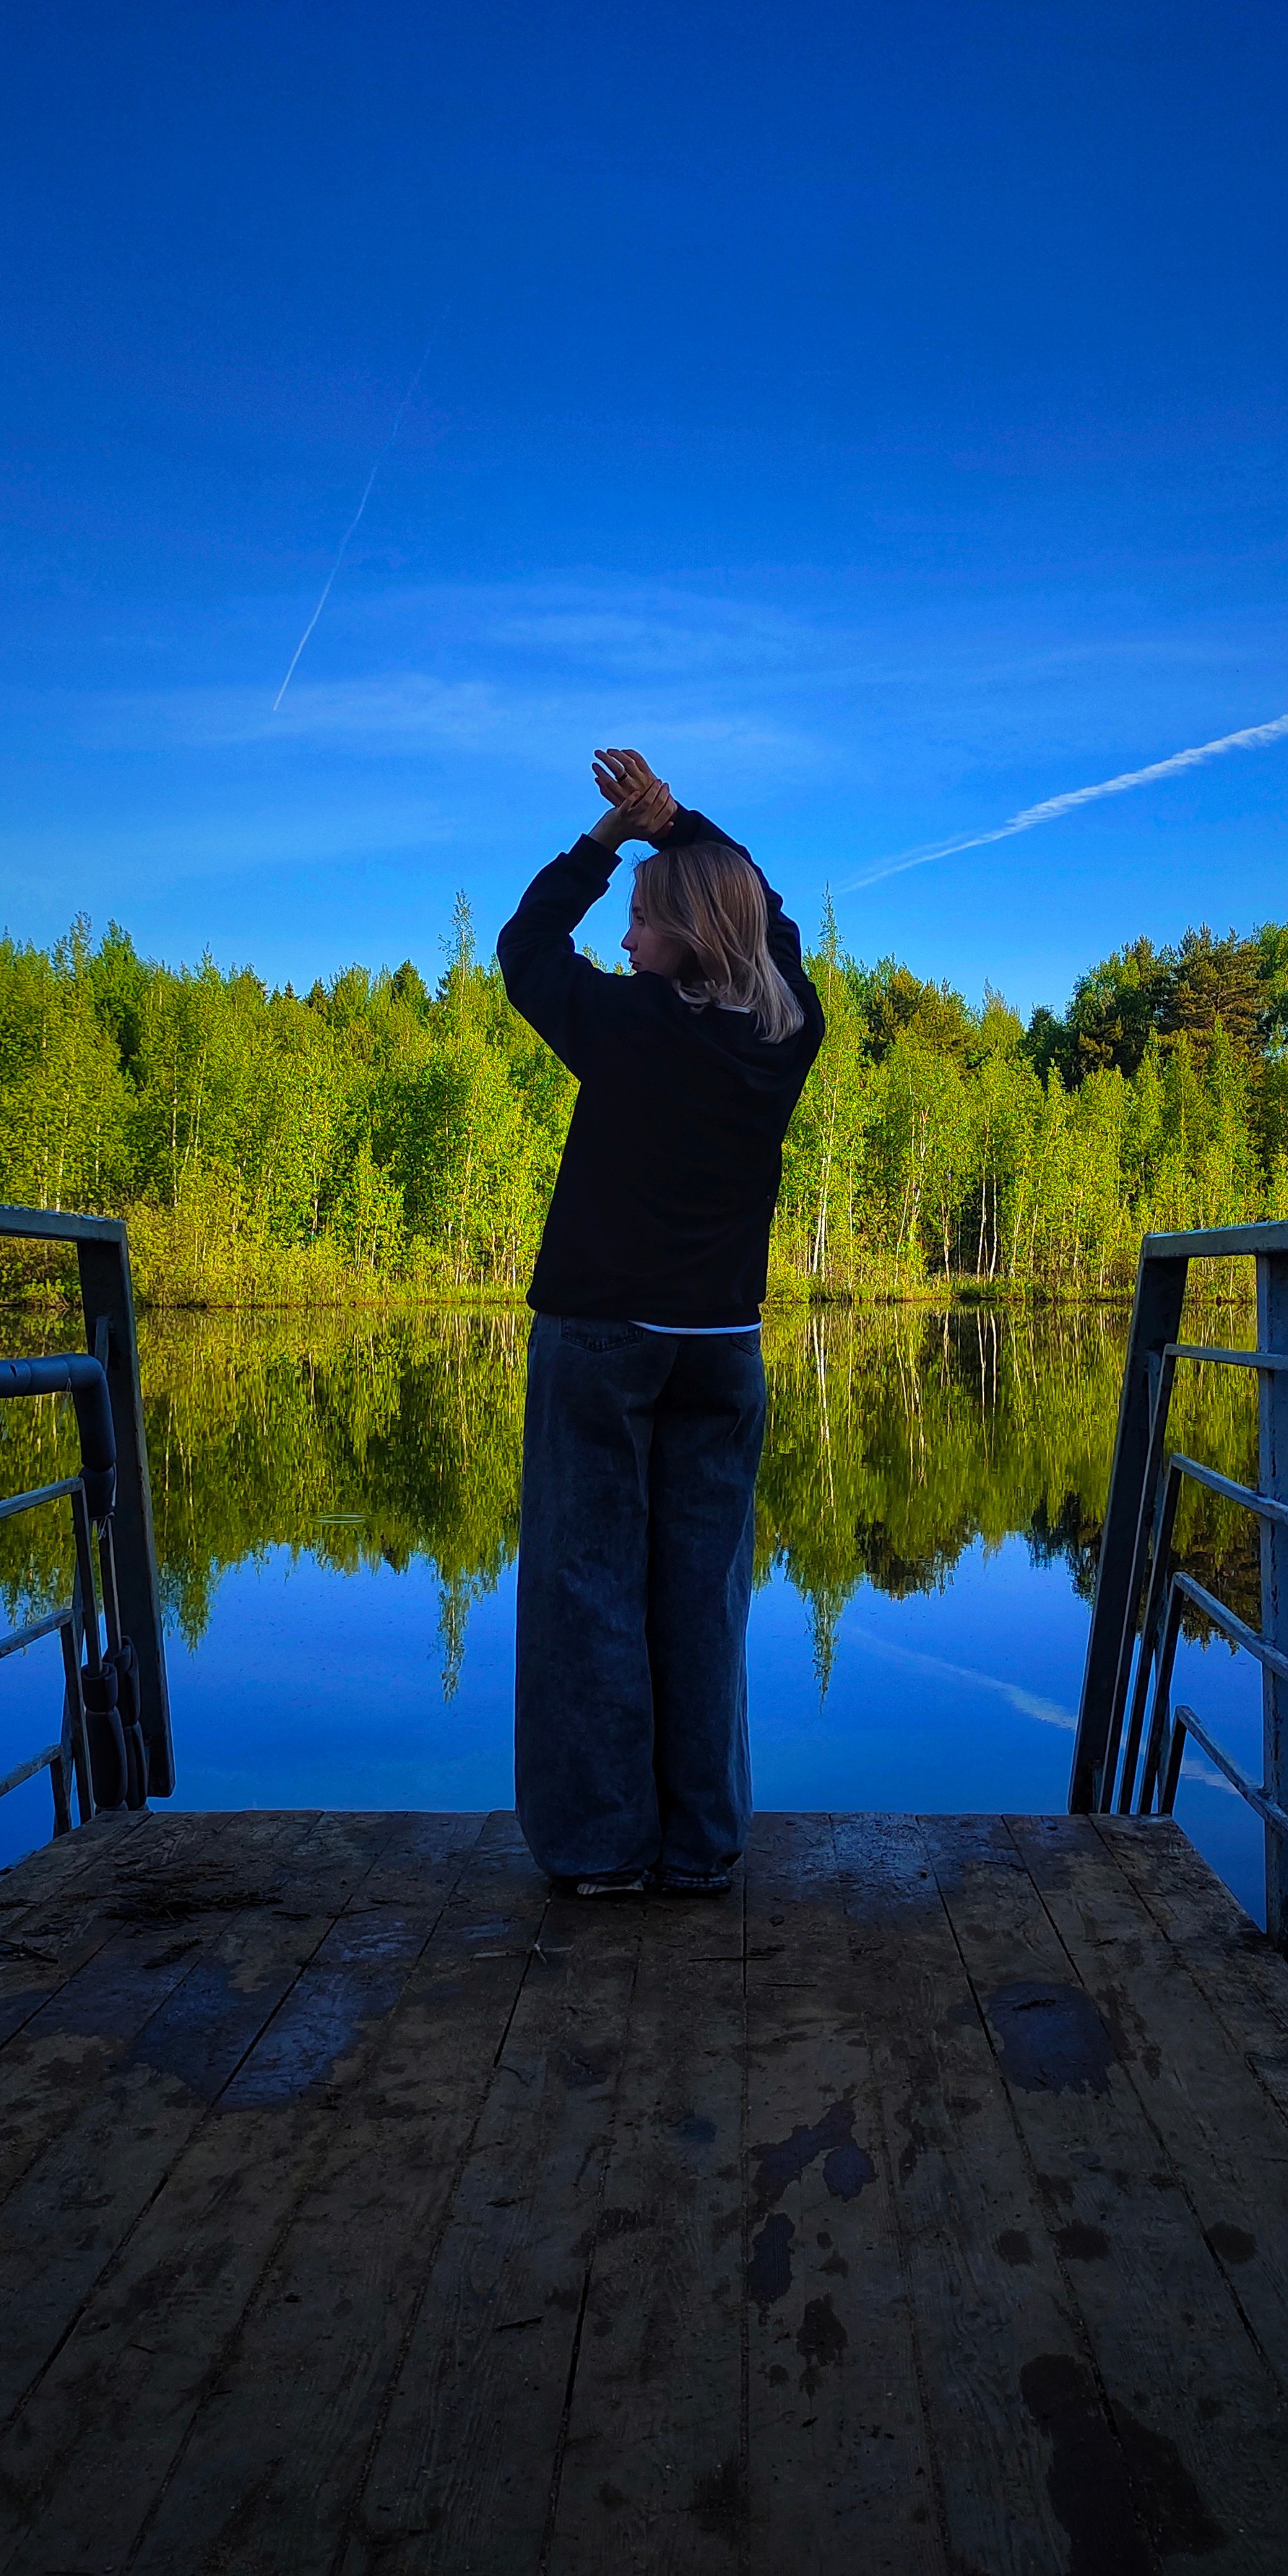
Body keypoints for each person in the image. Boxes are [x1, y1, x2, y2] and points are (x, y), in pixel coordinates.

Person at [496, 748, 824, 1897]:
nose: (626, 941)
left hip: (601, 1342)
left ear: (687, 933)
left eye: (641, 923)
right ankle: (700, 1847)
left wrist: (602, 845)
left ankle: (600, 1850)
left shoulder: (624, 1026)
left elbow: (525, 950)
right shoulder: (785, 1034)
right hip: (722, 1349)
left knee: (589, 1592)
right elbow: (767, 914)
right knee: (702, 1596)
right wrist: (678, 824)